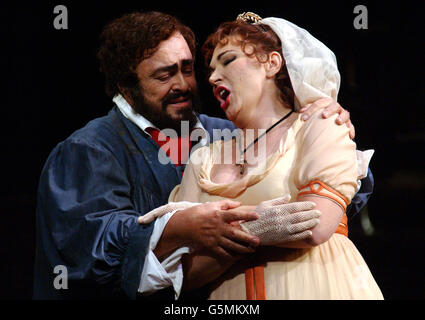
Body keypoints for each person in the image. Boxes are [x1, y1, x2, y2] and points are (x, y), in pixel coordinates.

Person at [33, 11, 371, 300]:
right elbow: (91, 249)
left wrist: (324, 122)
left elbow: (333, 203)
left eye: (187, 68)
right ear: (126, 87)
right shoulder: (90, 150)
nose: (184, 83)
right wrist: (184, 226)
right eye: (164, 74)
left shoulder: (220, 131)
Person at [168, 13, 383, 299]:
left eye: (228, 60)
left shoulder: (320, 123)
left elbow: (316, 224)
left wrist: (227, 237)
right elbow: (184, 273)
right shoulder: (203, 157)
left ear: (272, 64)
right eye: (211, 69)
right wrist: (263, 228)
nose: (212, 77)